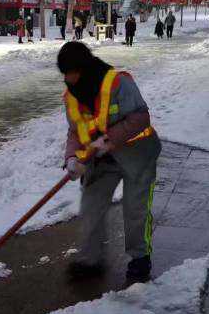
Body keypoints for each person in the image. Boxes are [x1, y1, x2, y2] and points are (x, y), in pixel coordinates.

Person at [58, 41, 161, 284]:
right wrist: (71, 157)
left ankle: (139, 259)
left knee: (135, 209)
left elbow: (141, 117)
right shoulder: (71, 96)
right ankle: (90, 260)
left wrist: (109, 139)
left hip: (137, 155)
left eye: (70, 72)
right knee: (91, 206)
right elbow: (74, 132)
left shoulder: (118, 82)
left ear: (83, 68)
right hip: (102, 160)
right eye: (64, 73)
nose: (67, 79)